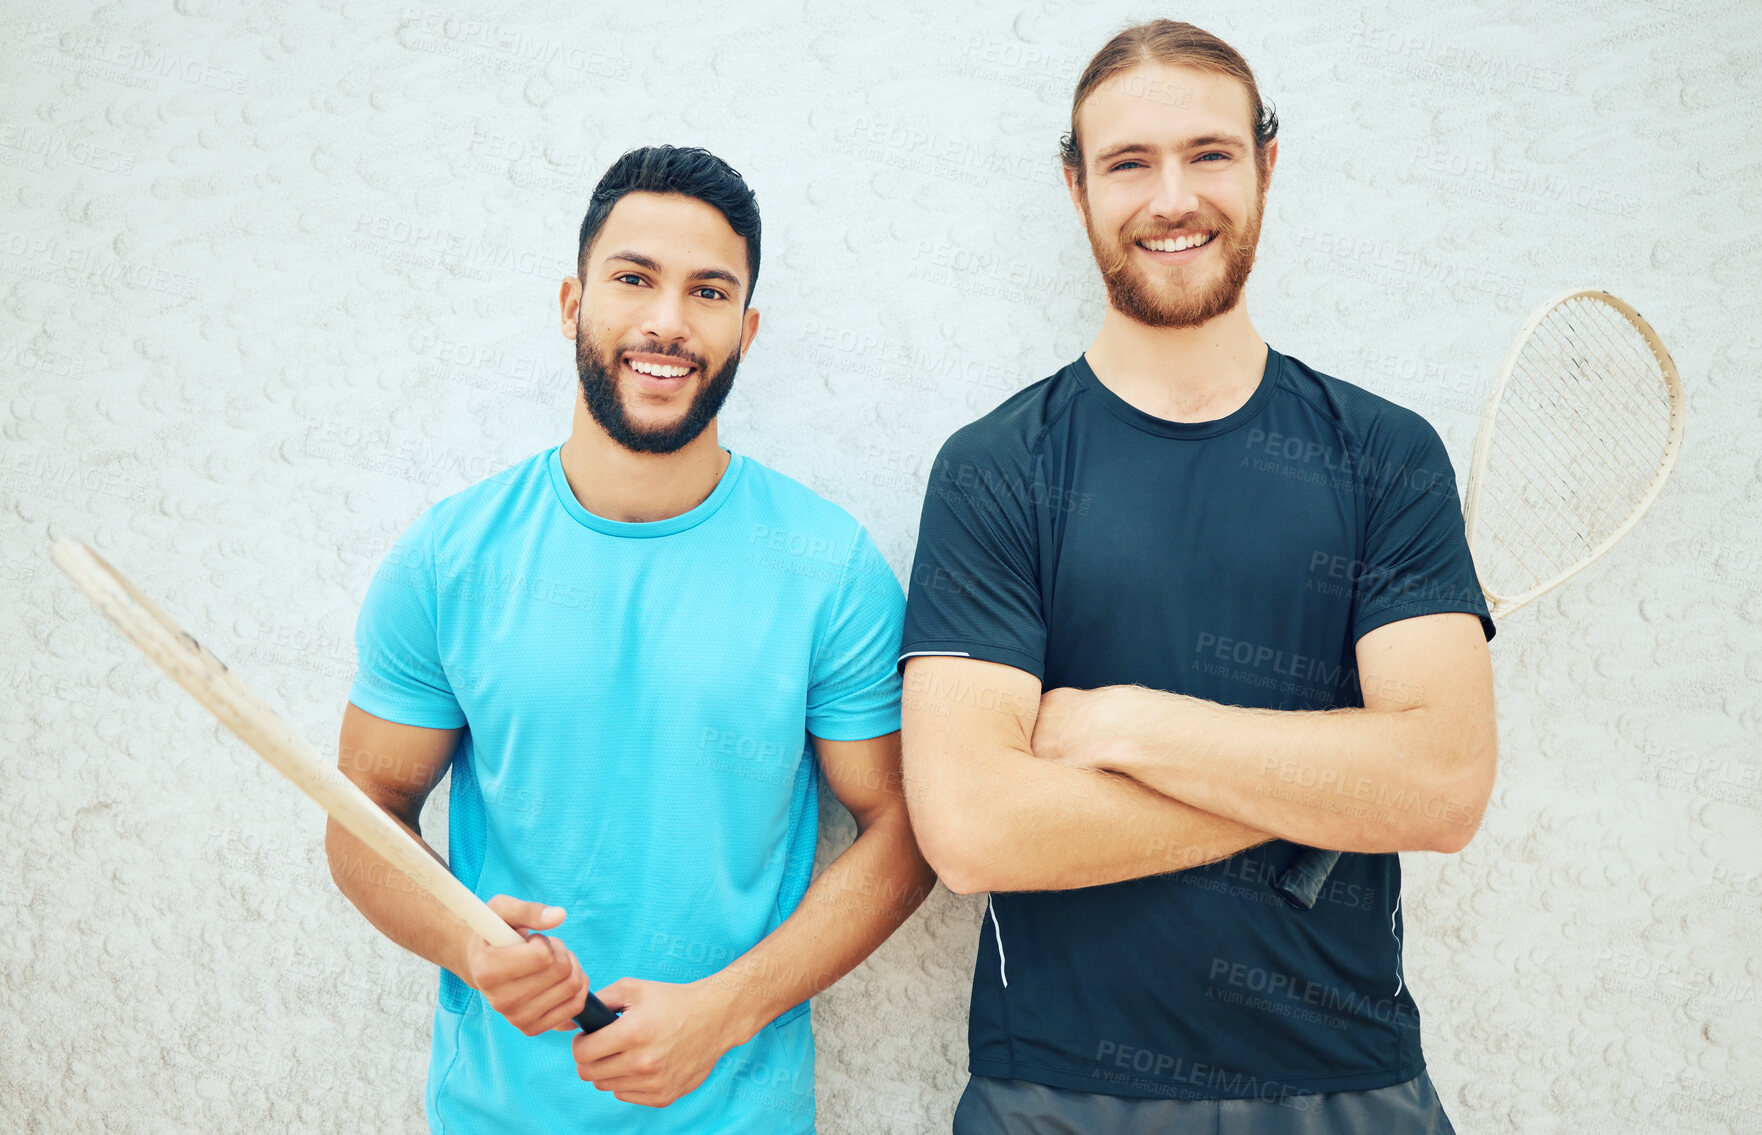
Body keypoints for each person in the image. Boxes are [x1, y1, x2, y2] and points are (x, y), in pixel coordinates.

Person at [898, 20, 1496, 1134]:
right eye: (1128, 162)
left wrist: (1122, 721)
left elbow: (1444, 787)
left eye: (1209, 153)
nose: (1172, 196)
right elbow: (974, 827)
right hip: (1056, 1096)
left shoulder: (1385, 454)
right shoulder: (994, 471)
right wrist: (1319, 778)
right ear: (1075, 188)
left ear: (1267, 164)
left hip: (1346, 1084)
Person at [327, 144, 934, 1134]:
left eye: (707, 291)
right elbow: (362, 811)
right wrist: (467, 941)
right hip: (496, 1113)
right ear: (573, 302)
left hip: (740, 1115)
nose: (666, 320)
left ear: (745, 328)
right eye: (633, 278)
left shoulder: (826, 565)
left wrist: (723, 1012)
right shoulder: (452, 558)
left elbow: (905, 832)